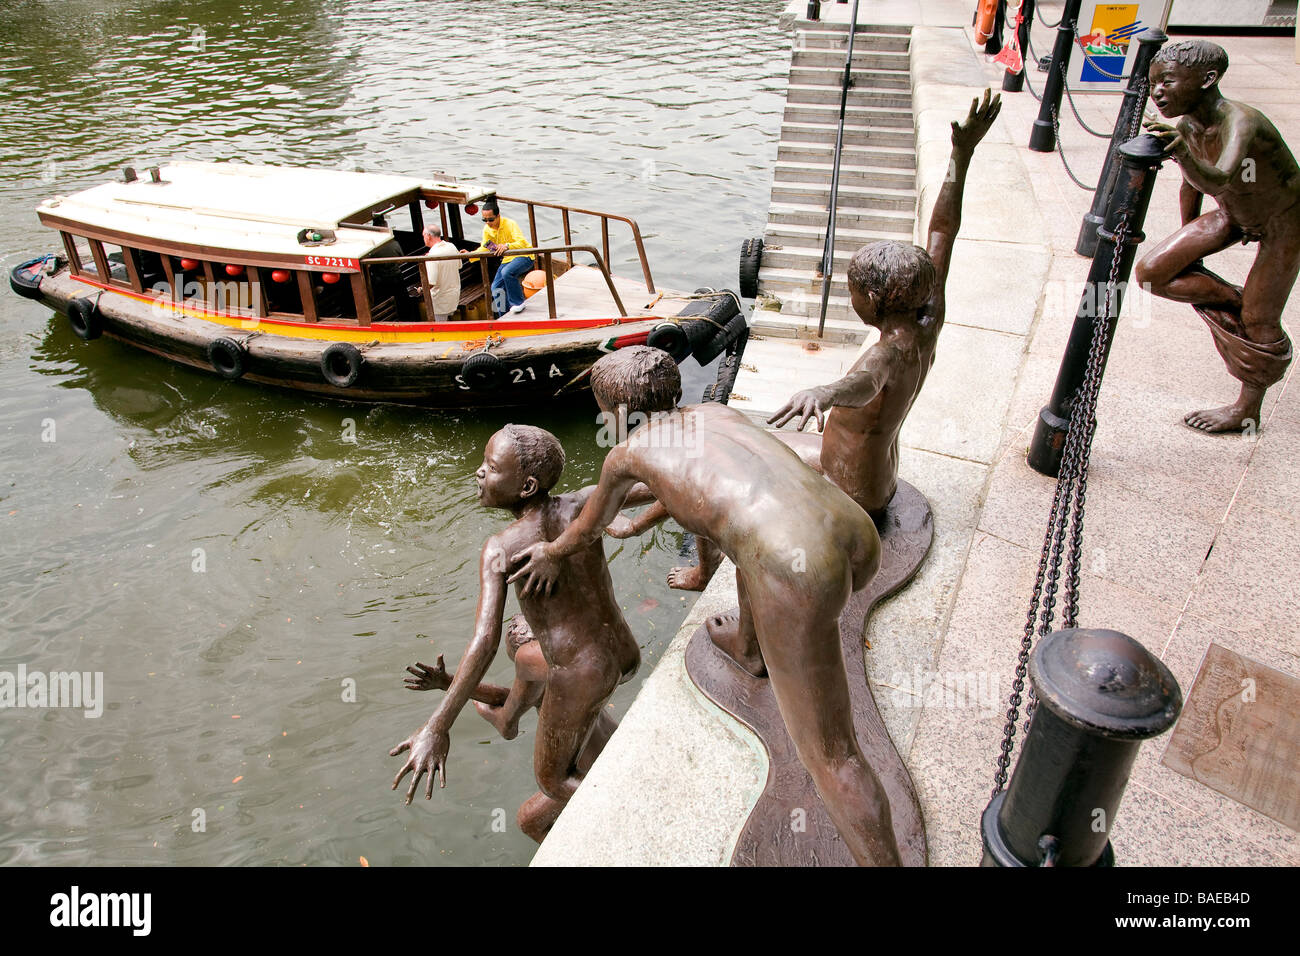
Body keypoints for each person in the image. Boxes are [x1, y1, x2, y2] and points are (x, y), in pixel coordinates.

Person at [509, 347, 900, 867]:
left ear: (615, 413)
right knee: (745, 543)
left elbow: (586, 526)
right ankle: (749, 646)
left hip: (800, 571)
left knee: (832, 756)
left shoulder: (625, 455)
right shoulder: (716, 414)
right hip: (852, 530)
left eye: (601, 409)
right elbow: (701, 493)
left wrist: (551, 551)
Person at [388, 424, 639, 844]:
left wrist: (437, 726)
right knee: (565, 705)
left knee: (551, 780)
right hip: (623, 652)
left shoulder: (501, 548)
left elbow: (484, 642)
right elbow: (665, 488)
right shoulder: (582, 503)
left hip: (583, 674)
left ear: (526, 486)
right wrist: (632, 522)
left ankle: (639, 825)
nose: (479, 474)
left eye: (490, 467)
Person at [767, 89, 1001, 521]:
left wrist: (823, 391)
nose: (850, 295)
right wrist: (960, 154)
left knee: (748, 469)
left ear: (871, 300)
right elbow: (943, 232)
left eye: (851, 289)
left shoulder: (886, 353)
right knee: (766, 443)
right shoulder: (926, 321)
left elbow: (867, 383)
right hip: (879, 479)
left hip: (849, 493)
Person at [1136, 40, 1300, 433]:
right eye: (1153, 83)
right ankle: (1236, 300)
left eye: (1168, 82)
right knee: (1152, 273)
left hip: (1284, 220)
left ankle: (1247, 408)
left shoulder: (1242, 121)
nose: (1157, 92)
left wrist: (1182, 154)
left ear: (1208, 79)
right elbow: (1190, 186)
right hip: (1232, 212)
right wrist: (1189, 242)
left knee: (1261, 322)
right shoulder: (1189, 126)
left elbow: (1220, 176)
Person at [401, 615, 618, 842]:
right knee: (532, 816)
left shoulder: (536, 675)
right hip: (612, 744)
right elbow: (508, 696)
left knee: (529, 820)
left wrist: (460, 694)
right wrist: (448, 683)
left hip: (591, 769)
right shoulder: (560, 668)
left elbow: (508, 720)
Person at [472, 199, 534, 317]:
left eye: (491, 219)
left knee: (507, 273)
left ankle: (518, 303)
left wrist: (506, 246)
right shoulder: (487, 229)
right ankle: (503, 315)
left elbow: (522, 243)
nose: (488, 223)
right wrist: (471, 255)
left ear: (498, 216)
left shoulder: (510, 224)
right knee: (495, 287)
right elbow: (486, 246)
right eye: (484, 220)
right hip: (507, 259)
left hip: (524, 255)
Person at [421, 223, 461, 322]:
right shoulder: (451, 246)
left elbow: (431, 282)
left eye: (423, 236)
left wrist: (421, 289)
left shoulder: (432, 256)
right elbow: (459, 265)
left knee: (439, 327)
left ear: (428, 236)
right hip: (454, 295)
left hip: (440, 300)